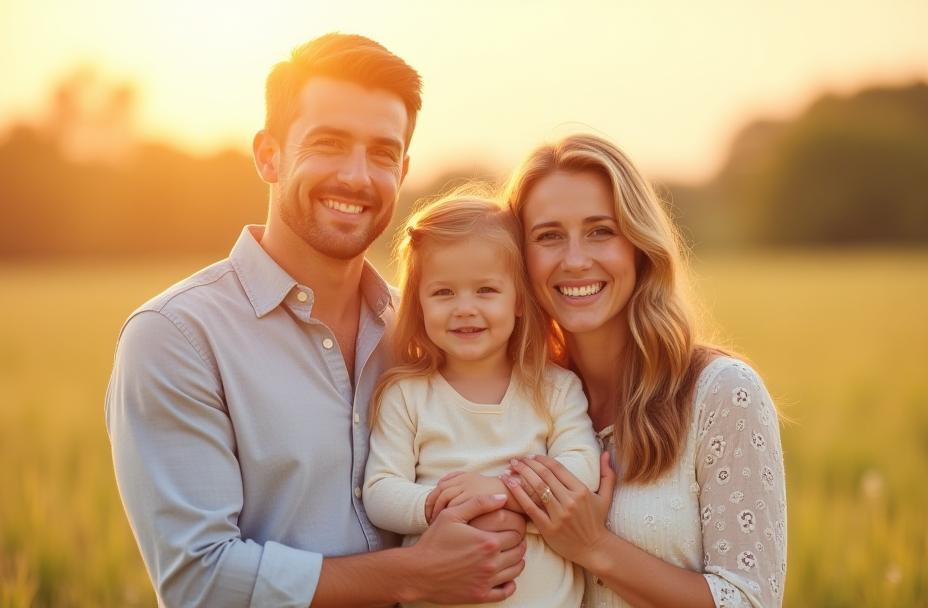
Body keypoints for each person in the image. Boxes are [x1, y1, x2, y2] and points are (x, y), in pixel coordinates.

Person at [105, 33, 527, 607]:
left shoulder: (432, 331)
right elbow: (199, 581)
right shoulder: (177, 337)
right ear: (268, 154)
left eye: (382, 153)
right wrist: (412, 573)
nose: (357, 176)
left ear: (403, 170)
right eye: (329, 143)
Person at [499, 133, 788, 607]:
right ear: (518, 258)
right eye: (549, 236)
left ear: (638, 246)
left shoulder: (722, 394)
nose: (575, 260)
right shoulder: (516, 396)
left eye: (601, 231)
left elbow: (750, 602)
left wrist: (594, 547)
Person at [362, 192, 604, 607]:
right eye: (443, 293)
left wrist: (501, 494)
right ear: (418, 304)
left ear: (520, 302)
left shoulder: (555, 388)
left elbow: (582, 469)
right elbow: (381, 492)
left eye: (486, 290)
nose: (465, 309)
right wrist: (451, 507)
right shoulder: (407, 395)